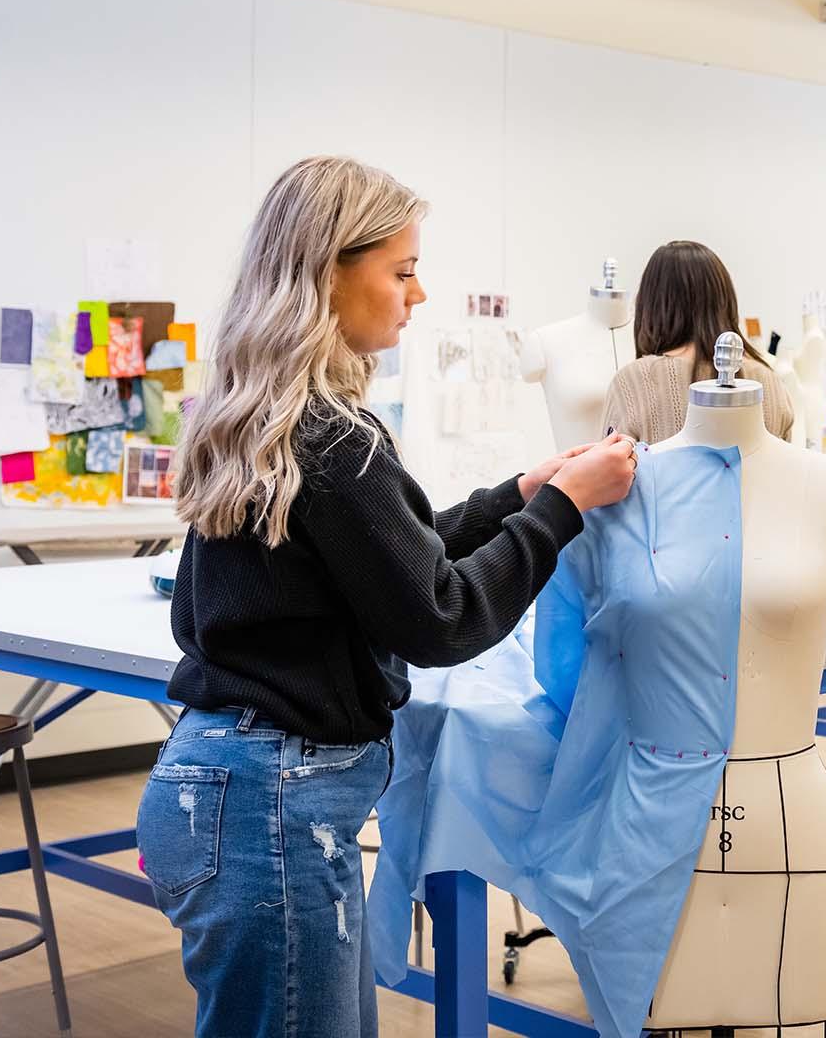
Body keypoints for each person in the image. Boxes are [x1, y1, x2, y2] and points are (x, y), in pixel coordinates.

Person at [135, 155, 637, 1038]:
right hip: (273, 813)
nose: (419, 293)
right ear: (328, 272)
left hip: (221, 788)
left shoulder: (261, 421)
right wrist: (560, 511)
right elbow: (440, 615)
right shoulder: (336, 440)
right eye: (402, 271)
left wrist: (517, 496)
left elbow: (386, 559)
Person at [598, 240, 795, 443]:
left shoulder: (633, 381)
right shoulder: (770, 381)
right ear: (726, 300)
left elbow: (607, 460)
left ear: (650, 304)